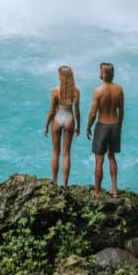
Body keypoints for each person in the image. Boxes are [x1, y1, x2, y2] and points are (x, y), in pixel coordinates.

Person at [86, 62, 124, 197]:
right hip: (115, 125)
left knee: (99, 160)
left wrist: (89, 126)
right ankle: (114, 189)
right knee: (111, 156)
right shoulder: (119, 89)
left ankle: (97, 192)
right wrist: (119, 127)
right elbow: (121, 112)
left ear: (103, 74)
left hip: (102, 125)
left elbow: (92, 113)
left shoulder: (98, 91)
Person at [44, 65, 80, 187]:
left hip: (58, 119)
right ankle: (65, 184)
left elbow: (51, 110)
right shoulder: (76, 91)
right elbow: (77, 111)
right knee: (66, 154)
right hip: (69, 119)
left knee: (55, 153)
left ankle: (54, 182)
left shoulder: (55, 91)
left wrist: (47, 124)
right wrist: (78, 126)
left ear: (61, 76)